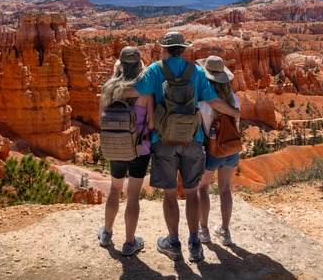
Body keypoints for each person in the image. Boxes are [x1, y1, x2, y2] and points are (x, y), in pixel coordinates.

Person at [133, 31, 241, 263]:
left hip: (163, 141)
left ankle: (173, 243)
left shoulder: (154, 69)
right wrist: (233, 111)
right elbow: (213, 101)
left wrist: (112, 90)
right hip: (193, 139)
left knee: (170, 193)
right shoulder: (197, 71)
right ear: (183, 49)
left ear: (164, 49)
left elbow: (136, 91)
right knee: (192, 192)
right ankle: (194, 243)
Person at [97, 46, 154, 256]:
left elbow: (100, 120)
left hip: (116, 147)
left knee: (114, 189)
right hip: (140, 149)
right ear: (139, 67)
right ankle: (130, 243)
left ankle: (106, 234)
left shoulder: (108, 89)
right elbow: (153, 122)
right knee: (133, 196)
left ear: (120, 67)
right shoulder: (145, 91)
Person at [195, 56, 241, 246]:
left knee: (203, 188)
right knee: (225, 189)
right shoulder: (235, 100)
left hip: (211, 151)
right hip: (231, 148)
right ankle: (225, 232)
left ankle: (203, 230)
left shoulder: (203, 102)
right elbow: (237, 123)